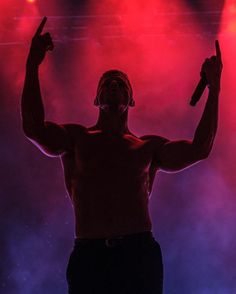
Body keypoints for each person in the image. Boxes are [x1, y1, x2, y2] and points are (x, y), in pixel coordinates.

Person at [21, 17, 222, 294]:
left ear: (132, 99)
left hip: (137, 252)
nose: (114, 85)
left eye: (121, 83)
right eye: (107, 83)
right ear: (95, 99)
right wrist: (32, 64)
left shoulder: (148, 147)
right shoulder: (76, 139)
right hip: (90, 254)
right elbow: (33, 128)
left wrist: (215, 89)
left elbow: (200, 148)